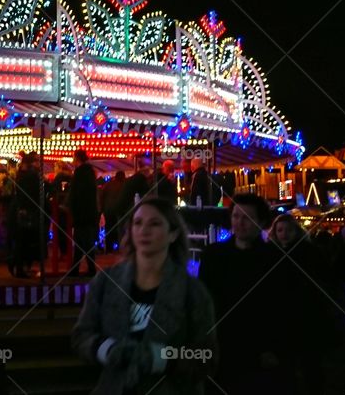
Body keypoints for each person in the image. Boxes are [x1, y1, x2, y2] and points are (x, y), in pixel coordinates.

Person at [72, 198, 217, 394]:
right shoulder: (105, 282)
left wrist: (162, 358)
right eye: (138, 223)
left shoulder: (192, 291)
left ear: (173, 234)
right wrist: (107, 349)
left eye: (155, 223)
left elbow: (207, 355)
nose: (144, 230)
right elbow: (82, 335)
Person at [198, 193, 285, 395]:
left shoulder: (274, 258)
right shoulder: (214, 255)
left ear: (260, 222)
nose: (239, 222)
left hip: (258, 343)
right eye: (236, 216)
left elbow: (281, 304)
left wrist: (274, 347)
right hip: (221, 340)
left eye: (246, 218)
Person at [268, 213, 336, 395]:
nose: (284, 234)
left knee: (311, 363)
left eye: (288, 230)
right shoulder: (270, 254)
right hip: (282, 316)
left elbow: (325, 276)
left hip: (308, 314)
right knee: (285, 364)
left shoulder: (309, 252)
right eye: (280, 230)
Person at [9, 152, 43, 278]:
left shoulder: (21, 175)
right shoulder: (32, 176)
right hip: (28, 209)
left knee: (23, 239)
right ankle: (18, 265)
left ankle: (18, 264)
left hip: (23, 208)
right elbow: (35, 192)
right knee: (25, 239)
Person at [68, 150, 99, 276]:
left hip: (82, 213)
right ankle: (77, 268)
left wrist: (72, 207)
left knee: (84, 242)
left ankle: (90, 269)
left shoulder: (80, 173)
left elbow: (76, 194)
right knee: (82, 241)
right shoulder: (90, 173)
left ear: (77, 158)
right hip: (89, 212)